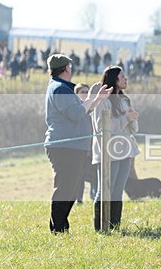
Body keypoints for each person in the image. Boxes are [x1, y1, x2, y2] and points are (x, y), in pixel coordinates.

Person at [44, 53, 110, 233]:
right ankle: (57, 229)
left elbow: (81, 112)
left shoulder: (63, 88)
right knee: (65, 188)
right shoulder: (59, 89)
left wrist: (97, 100)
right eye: (70, 67)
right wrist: (91, 97)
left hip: (73, 147)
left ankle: (61, 226)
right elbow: (75, 114)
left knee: (71, 189)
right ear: (66, 68)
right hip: (64, 147)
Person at [91, 65, 140, 231]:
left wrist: (132, 119)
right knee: (105, 189)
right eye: (122, 76)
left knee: (118, 190)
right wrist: (126, 118)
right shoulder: (102, 102)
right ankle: (100, 227)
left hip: (125, 151)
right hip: (108, 152)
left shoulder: (125, 100)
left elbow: (134, 129)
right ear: (114, 80)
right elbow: (103, 128)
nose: (126, 79)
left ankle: (114, 226)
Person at [73, 83, 98, 204]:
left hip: (92, 149)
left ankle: (94, 197)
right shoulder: (75, 110)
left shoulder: (93, 109)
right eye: (82, 92)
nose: (85, 94)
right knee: (79, 176)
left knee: (94, 175)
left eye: (87, 92)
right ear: (76, 94)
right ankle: (79, 200)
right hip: (78, 149)